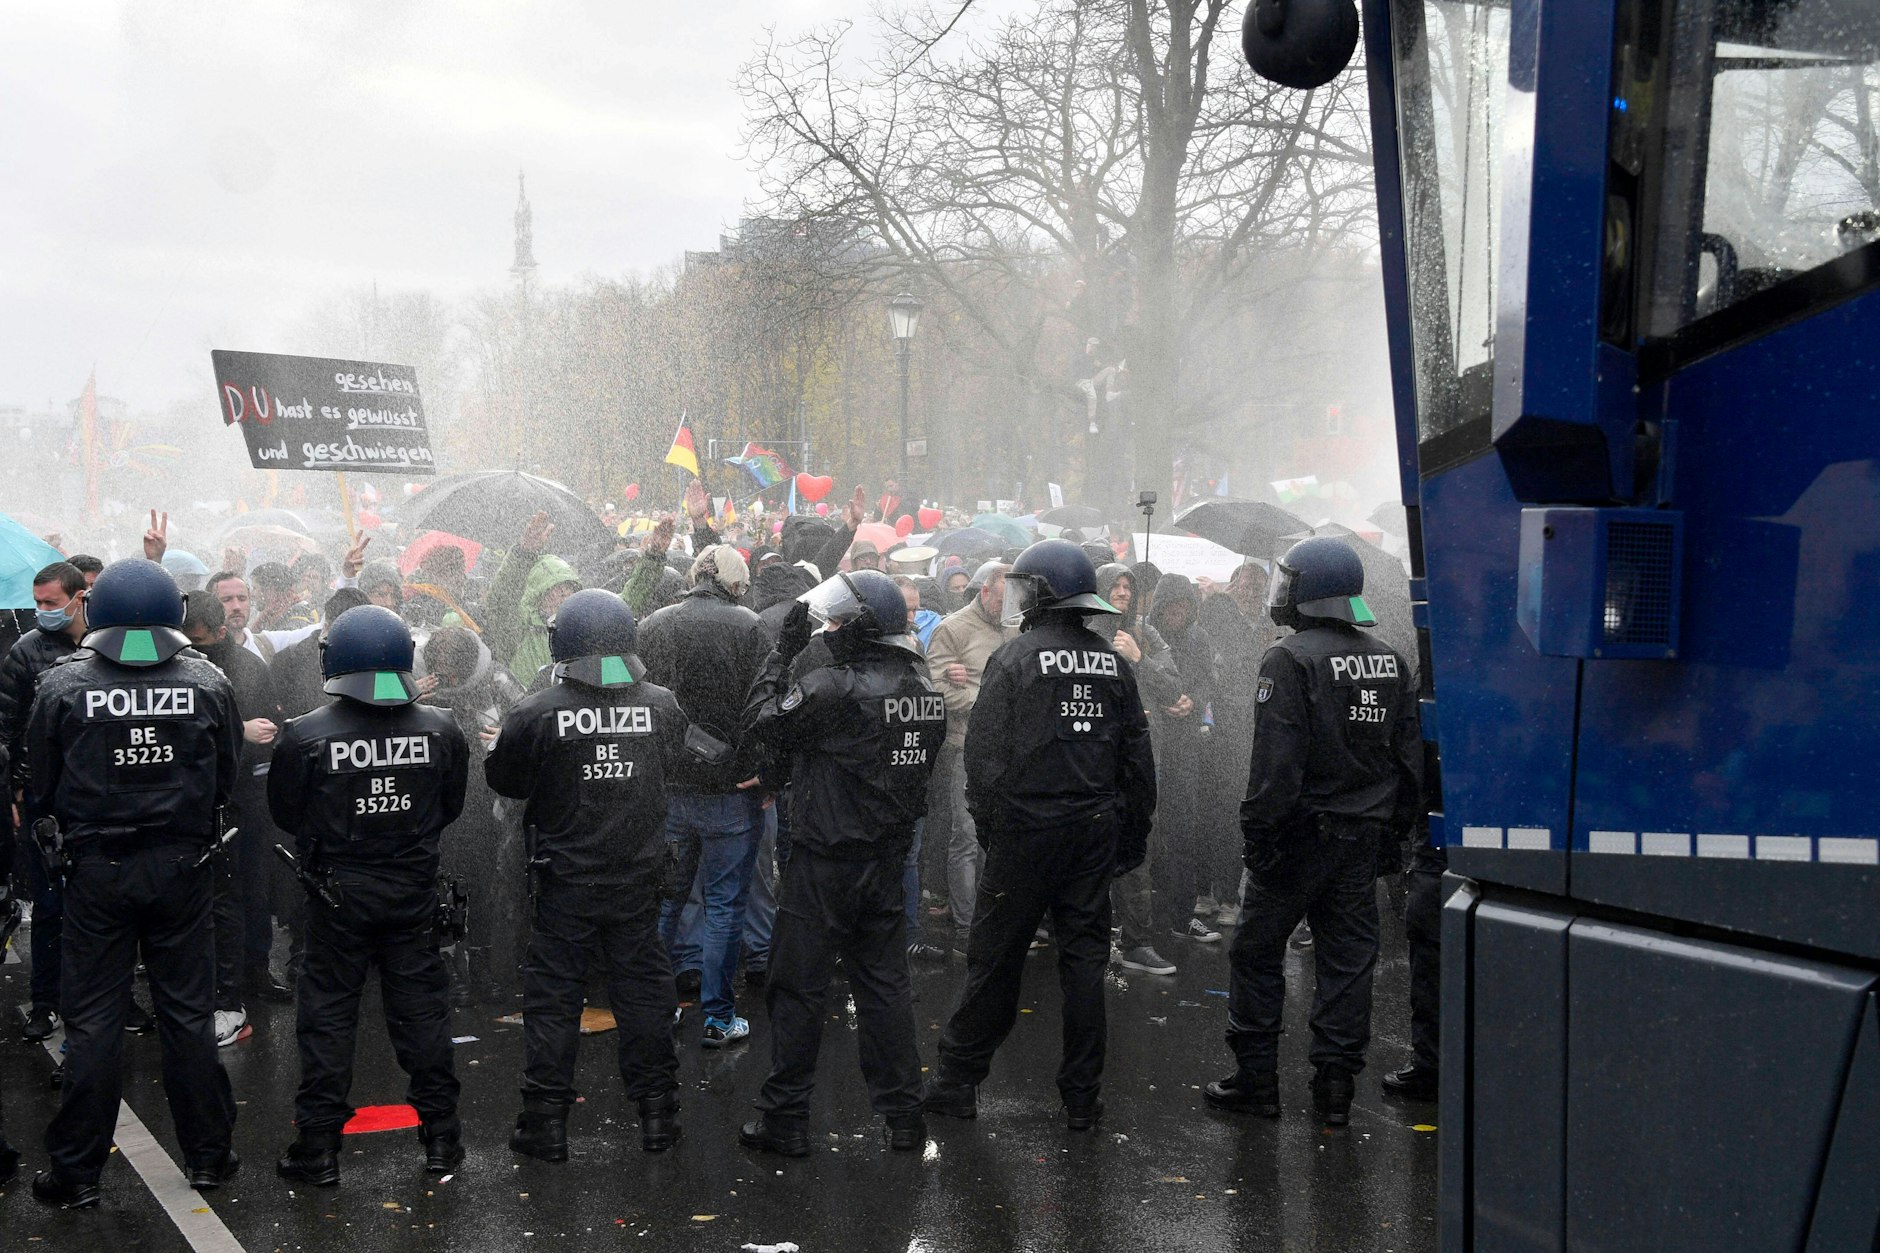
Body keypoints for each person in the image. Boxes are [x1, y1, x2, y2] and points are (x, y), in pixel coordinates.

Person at [25, 559, 242, 1208]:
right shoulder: (208, 679)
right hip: (182, 871)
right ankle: (208, 1157)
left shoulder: (62, 685)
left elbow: (41, 781)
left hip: (97, 873)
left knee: (92, 1022)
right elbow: (226, 774)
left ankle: (77, 1172)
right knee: (186, 1016)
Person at [922, 540, 1156, 1129]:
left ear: (1042, 592)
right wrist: (1128, 839)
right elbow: (1137, 760)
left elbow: (984, 754)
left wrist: (993, 827)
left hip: (1027, 832)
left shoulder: (1016, 657)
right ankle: (1083, 1098)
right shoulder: (1112, 662)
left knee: (995, 959)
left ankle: (957, 1082)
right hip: (1092, 832)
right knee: (1084, 966)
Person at [1207, 537, 1421, 1127]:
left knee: (1256, 953)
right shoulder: (1388, 658)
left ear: (1310, 590)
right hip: (1361, 839)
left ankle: (1256, 1082)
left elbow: (1276, 764)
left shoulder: (1289, 658)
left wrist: (1259, 835)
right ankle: (1335, 1091)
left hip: (1297, 836)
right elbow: (1408, 760)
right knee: (1347, 964)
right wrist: (1391, 834)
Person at [739, 570, 945, 1155]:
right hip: (885, 859)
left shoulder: (835, 687)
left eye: (834, 622)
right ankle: (905, 1118)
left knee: (797, 988)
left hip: (824, 861)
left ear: (857, 628)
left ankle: (785, 1120)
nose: (826, 630)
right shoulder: (922, 689)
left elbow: (764, 718)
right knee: (884, 988)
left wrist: (782, 651)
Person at [269, 605, 470, 1184]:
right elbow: (449, 807)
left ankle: (318, 1148)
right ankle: (442, 1140)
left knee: (328, 1019)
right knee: (423, 1017)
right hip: (412, 894)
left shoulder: (305, 734)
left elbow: (287, 813)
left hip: (337, 899)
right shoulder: (441, 726)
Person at [486, 591, 689, 1161]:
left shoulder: (537, 710)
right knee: (645, 996)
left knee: (554, 1001)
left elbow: (506, 782)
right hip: (637, 881)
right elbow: (681, 763)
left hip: (564, 884)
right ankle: (658, 1118)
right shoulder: (662, 705)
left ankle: (545, 1124)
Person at [636, 543, 771, 1048]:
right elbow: (764, 707)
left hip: (670, 788)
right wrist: (765, 773)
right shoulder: (748, 626)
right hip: (730, 791)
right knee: (724, 907)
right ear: (736, 585)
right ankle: (717, 1017)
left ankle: (656, 1007)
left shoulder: (653, 624)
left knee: (667, 902)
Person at [180, 591, 286, 1046]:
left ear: (220, 633)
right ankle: (209, 981)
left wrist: (254, 735)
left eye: (200, 639)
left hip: (247, 793)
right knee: (206, 896)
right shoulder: (176, 668)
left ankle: (255, 969)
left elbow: (272, 722)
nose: (192, 646)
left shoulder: (246, 666)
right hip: (195, 799)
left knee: (253, 887)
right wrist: (235, 730)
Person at [2, 562, 88, 1043]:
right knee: (51, 904)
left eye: (51, 603)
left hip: (95, 798)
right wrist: (12, 790)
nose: (43, 613)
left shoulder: (105, 643)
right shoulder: (26, 651)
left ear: (79, 598)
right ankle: (46, 1002)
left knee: (100, 906)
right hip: (43, 799)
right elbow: (7, 726)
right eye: (38, 603)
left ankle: (112, 1000)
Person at [1088, 563, 1180, 976]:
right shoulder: (1083, 632)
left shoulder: (1143, 632)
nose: (1123, 592)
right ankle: (1089, 934)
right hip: (1094, 755)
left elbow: (1170, 685)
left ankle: (1137, 940)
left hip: (1141, 754)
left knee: (1138, 838)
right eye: (1116, 585)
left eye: (1128, 586)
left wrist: (1138, 658)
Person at [922, 561, 1011, 952]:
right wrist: (988, 702)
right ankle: (966, 928)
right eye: (1003, 598)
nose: (1008, 607)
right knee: (967, 836)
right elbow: (935, 691)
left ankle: (992, 918)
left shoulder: (1014, 626)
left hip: (1008, 751)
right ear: (985, 591)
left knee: (997, 837)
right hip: (964, 746)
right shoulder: (953, 628)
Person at [1144, 573, 1220, 945]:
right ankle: (1148, 916)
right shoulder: (1144, 637)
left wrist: (1193, 701)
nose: (1177, 612)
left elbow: (1208, 681)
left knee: (1185, 828)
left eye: (1184, 606)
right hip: (1153, 742)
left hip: (1187, 744)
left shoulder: (1199, 638)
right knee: (1151, 831)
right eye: (1171, 606)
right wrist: (1164, 701)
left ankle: (1182, 913)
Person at [486, 513, 583, 687]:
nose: (566, 596)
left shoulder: (582, 629)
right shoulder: (518, 624)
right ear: (540, 593)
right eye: (559, 590)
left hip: (567, 710)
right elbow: (500, 599)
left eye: (571, 590)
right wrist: (525, 552)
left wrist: (650, 559)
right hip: (524, 709)